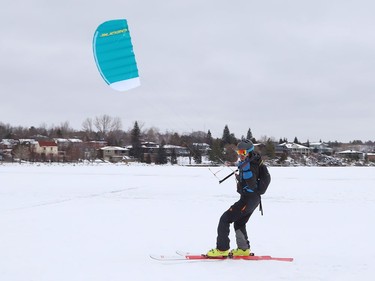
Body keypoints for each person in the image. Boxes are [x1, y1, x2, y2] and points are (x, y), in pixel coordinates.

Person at [206, 139, 270, 257]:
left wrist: (246, 172)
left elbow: (252, 186)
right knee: (239, 223)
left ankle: (222, 249)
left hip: (249, 199)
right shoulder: (251, 161)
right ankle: (243, 249)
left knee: (225, 219)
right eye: (239, 152)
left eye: (243, 152)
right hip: (251, 200)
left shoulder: (250, 165)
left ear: (249, 152)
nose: (240, 154)